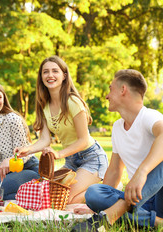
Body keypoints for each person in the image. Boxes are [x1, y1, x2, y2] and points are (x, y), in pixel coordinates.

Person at [71, 69, 163, 232]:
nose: (107, 96)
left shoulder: (150, 116)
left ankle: (110, 216)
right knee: (93, 192)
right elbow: (115, 171)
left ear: (123, 90)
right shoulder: (117, 128)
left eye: (110, 89)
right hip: (139, 202)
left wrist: (141, 173)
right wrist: (96, 204)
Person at [14, 56, 108, 204]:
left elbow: (83, 140)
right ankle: (93, 186)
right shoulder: (43, 105)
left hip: (91, 158)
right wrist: (28, 150)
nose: (50, 75)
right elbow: (45, 139)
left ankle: (105, 188)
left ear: (64, 76)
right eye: (45, 72)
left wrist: (58, 153)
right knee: (51, 197)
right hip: (71, 160)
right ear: (41, 77)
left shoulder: (73, 102)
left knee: (66, 200)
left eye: (55, 71)